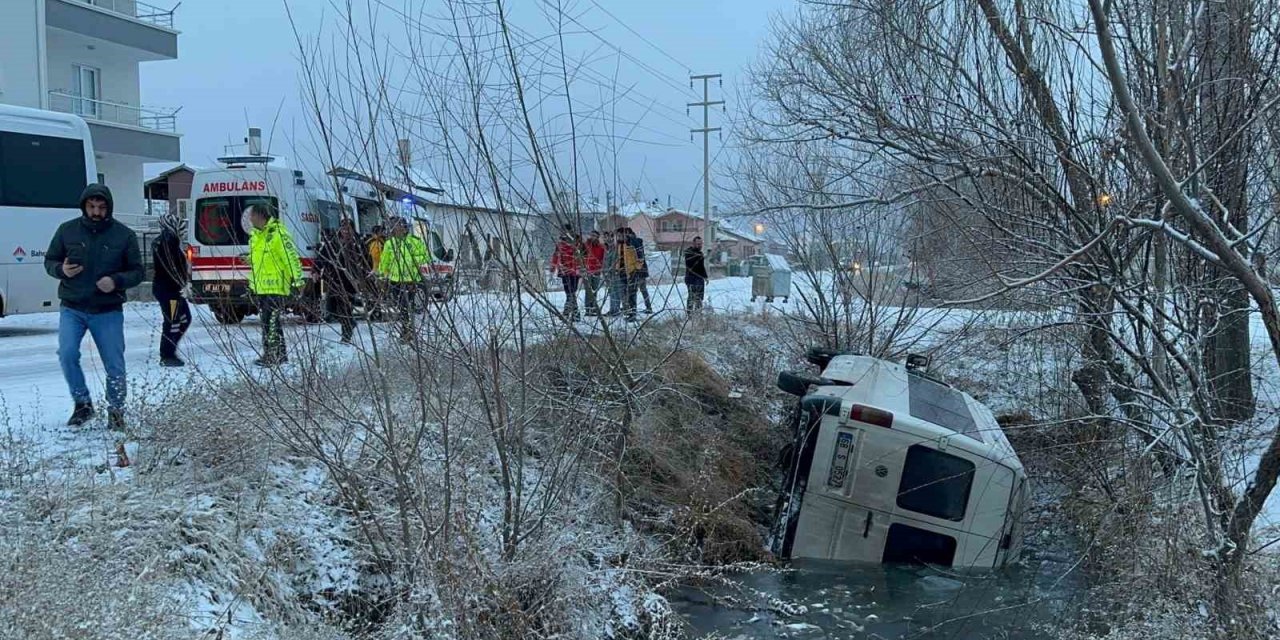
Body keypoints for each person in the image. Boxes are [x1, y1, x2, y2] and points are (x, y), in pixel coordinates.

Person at [43, 184, 144, 430]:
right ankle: (82, 404)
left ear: (109, 207)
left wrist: (116, 281)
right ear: (84, 206)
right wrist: (61, 270)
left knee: (114, 364)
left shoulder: (124, 235)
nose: (96, 211)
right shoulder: (67, 231)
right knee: (67, 354)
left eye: (101, 207)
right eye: (91, 206)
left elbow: (138, 271)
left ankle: (116, 411)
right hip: (73, 306)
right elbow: (50, 261)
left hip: (107, 310)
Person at [246, 205, 304, 367]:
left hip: (277, 286)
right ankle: (279, 353)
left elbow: (291, 258)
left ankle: (273, 355)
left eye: (252, 216)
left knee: (270, 322)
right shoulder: (256, 237)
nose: (250, 220)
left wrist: (298, 280)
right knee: (269, 322)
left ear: (260, 216)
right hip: (261, 288)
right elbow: (258, 263)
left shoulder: (279, 235)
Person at [378, 218, 430, 341]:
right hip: (395, 280)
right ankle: (407, 329)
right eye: (395, 227)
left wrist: (413, 261)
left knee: (405, 306)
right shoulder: (390, 244)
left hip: (410, 280)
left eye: (400, 226)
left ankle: (406, 331)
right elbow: (384, 262)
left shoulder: (414, 242)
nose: (398, 229)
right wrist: (381, 277)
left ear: (405, 228)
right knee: (401, 306)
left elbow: (425, 257)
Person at [153, 212, 192, 366]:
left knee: (184, 318)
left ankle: (170, 349)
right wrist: (183, 278)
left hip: (171, 290)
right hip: (170, 292)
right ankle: (167, 354)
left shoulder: (165, 241)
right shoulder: (168, 242)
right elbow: (172, 267)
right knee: (174, 321)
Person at [318, 219, 367, 343]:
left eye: (348, 228)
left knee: (345, 308)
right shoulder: (333, 242)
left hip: (349, 282)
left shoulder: (358, 243)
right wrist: (316, 270)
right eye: (343, 228)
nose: (345, 231)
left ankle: (346, 335)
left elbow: (366, 262)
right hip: (333, 280)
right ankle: (350, 322)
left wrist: (362, 278)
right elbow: (322, 257)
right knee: (331, 309)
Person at [550, 232, 582, 321]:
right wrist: (553, 266)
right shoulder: (561, 245)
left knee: (571, 293)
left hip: (573, 272)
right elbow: (556, 256)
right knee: (570, 293)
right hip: (566, 272)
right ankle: (571, 313)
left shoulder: (576, 244)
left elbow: (582, 257)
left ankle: (569, 313)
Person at [625, 228, 653, 314]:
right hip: (641, 270)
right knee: (642, 290)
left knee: (635, 290)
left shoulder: (634, 243)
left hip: (638, 270)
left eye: (626, 234)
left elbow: (639, 258)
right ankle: (648, 307)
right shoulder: (638, 242)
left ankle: (635, 309)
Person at [582, 230, 605, 316]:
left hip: (597, 271)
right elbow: (581, 255)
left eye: (595, 236)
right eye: (592, 235)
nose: (593, 237)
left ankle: (594, 308)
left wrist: (601, 268)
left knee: (594, 290)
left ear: (597, 237)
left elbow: (603, 259)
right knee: (588, 291)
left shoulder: (601, 247)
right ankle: (588, 309)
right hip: (587, 271)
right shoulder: (586, 245)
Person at [683, 235, 708, 312]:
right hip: (691, 278)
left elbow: (701, 267)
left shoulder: (700, 253)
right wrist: (699, 257)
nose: (700, 245)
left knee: (699, 298)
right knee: (691, 297)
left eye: (701, 244)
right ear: (693, 244)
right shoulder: (688, 253)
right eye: (698, 244)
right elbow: (690, 265)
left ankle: (698, 314)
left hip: (700, 279)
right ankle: (689, 315)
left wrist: (705, 277)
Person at [603, 231, 622, 316]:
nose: (608, 239)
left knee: (616, 292)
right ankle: (612, 309)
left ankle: (616, 310)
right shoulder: (606, 249)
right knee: (611, 292)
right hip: (607, 274)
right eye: (606, 237)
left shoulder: (615, 248)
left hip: (614, 273)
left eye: (610, 237)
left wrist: (612, 270)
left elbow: (616, 260)